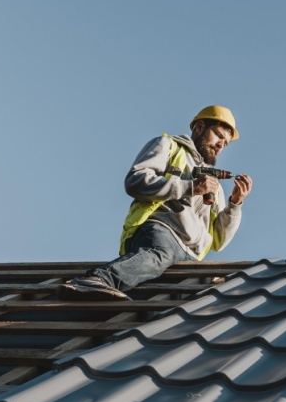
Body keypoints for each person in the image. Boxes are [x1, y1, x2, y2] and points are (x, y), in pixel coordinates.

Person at [57, 105, 253, 301]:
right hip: (162, 233)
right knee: (160, 254)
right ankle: (97, 279)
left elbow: (219, 241)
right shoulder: (169, 146)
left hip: (191, 256)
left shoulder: (214, 187)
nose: (220, 145)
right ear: (200, 127)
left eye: (225, 143)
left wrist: (235, 204)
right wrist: (190, 187)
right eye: (218, 136)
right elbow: (135, 181)